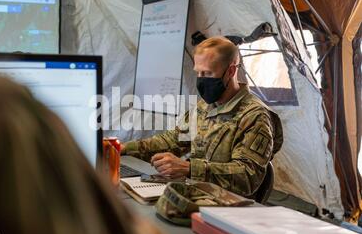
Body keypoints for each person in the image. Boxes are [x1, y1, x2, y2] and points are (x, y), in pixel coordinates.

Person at [0, 44, 181, 234]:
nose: (200, 76)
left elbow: (175, 139)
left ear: (224, 72)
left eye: (204, 72)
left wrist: (191, 169)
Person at [121, 37, 283, 199]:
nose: (201, 80)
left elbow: (247, 177)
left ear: (231, 71)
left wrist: (189, 168)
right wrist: (120, 148)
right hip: (199, 195)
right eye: (198, 73)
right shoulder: (204, 107)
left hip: (230, 206)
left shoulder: (254, 116)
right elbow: (173, 141)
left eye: (207, 73)